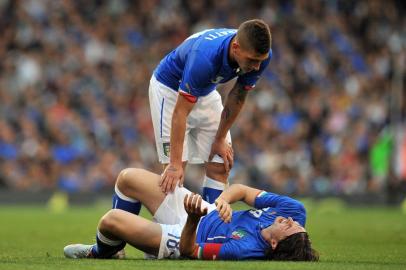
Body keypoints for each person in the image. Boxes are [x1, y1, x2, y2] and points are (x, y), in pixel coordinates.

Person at [64, 168, 318, 261]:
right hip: (203, 210)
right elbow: (240, 190)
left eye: (288, 227)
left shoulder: (245, 250)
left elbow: (189, 250)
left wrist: (193, 219)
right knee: (127, 178)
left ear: (273, 244)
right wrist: (221, 201)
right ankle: (115, 250)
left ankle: (100, 252)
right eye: (295, 223)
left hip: (184, 235)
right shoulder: (294, 210)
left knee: (110, 220)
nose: (290, 221)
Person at [149, 19, 272, 203]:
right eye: (252, 60)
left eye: (259, 61)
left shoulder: (261, 56)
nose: (256, 67)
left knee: (221, 162)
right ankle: (171, 230)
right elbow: (180, 112)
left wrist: (220, 138)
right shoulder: (204, 58)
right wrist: (174, 164)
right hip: (170, 91)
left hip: (205, 90)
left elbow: (238, 96)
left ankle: (211, 225)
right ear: (236, 48)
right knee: (175, 174)